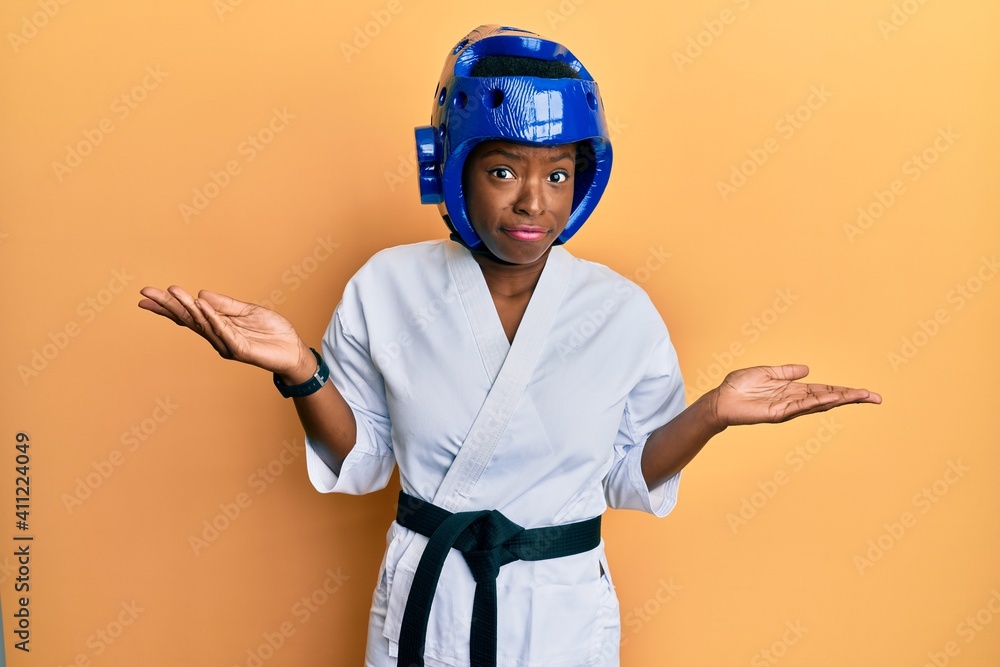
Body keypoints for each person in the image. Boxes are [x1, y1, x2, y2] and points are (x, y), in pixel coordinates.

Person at [138, 25, 881, 667]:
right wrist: (301, 371)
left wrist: (712, 412)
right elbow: (362, 460)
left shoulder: (619, 311)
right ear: (451, 169)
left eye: (557, 173)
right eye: (503, 171)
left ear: (583, 179)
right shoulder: (385, 286)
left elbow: (626, 476)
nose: (534, 202)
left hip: (559, 608)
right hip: (431, 600)